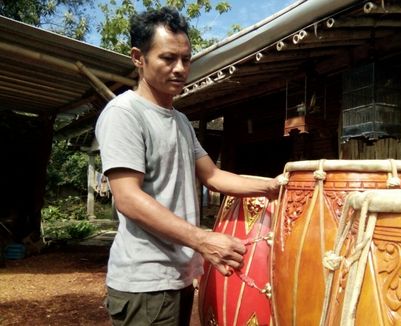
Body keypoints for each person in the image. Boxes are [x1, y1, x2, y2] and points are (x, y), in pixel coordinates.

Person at [95, 6, 280, 326]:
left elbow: (213, 175)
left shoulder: (179, 121)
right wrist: (203, 239)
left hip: (178, 277)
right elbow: (127, 198)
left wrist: (276, 186)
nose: (180, 68)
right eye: (168, 58)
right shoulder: (124, 113)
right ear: (138, 57)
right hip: (145, 283)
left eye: (186, 59)